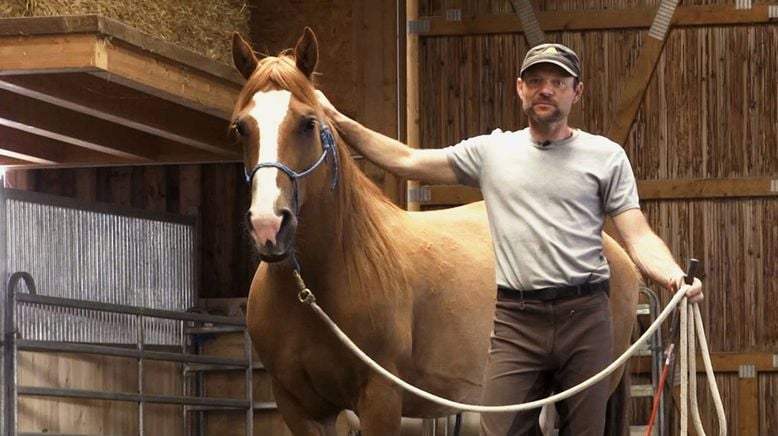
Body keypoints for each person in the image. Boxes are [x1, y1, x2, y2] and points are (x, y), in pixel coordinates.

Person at [318, 42, 703, 435]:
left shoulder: (606, 157)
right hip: (518, 320)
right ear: (520, 88)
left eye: (557, 81)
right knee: (498, 426)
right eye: (535, 81)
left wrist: (673, 275)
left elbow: (636, 234)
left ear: (577, 91)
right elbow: (407, 160)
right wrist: (337, 120)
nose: (546, 89)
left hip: (585, 316)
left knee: (585, 430)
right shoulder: (492, 152)